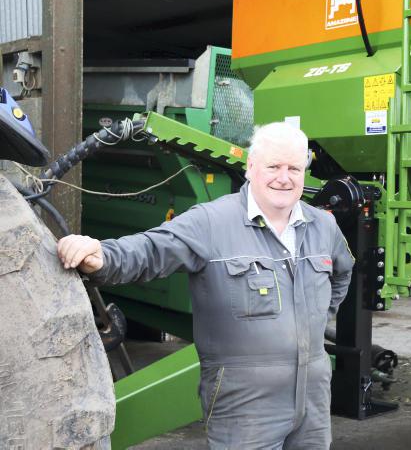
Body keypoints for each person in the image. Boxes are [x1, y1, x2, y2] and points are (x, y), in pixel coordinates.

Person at [57, 122, 354, 449]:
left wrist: (314, 320)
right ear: (251, 167)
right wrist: (102, 255)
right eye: (273, 167)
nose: (284, 178)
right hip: (245, 407)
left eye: (294, 169)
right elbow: (152, 249)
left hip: (313, 401)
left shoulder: (322, 226)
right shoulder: (211, 222)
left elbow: (342, 272)